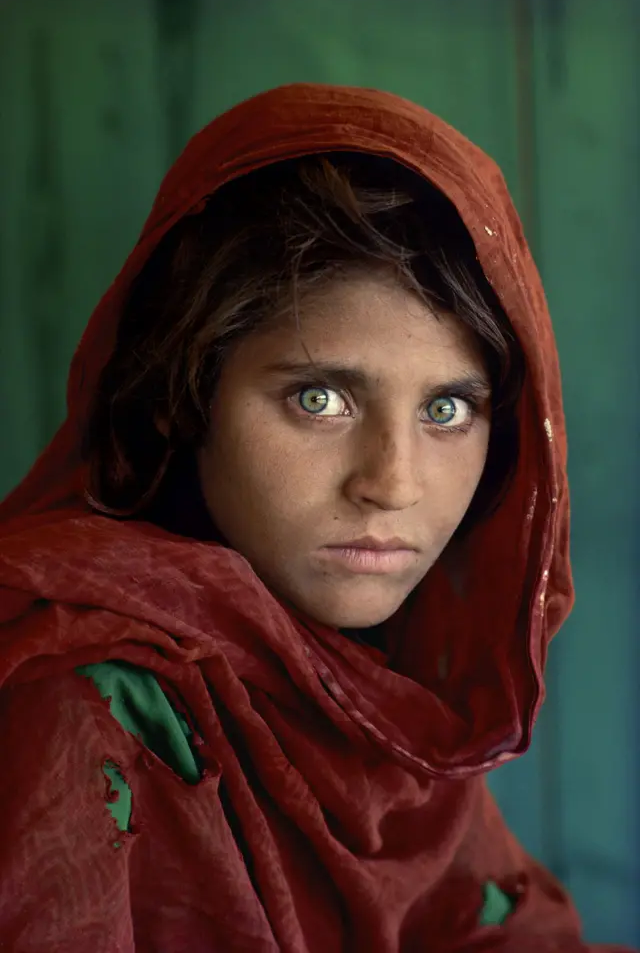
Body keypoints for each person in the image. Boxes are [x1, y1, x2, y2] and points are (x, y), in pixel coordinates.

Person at [0, 83, 631, 953]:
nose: (392, 484)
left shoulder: (382, 703)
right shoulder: (77, 700)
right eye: (319, 398)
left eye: (447, 410)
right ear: (182, 395)